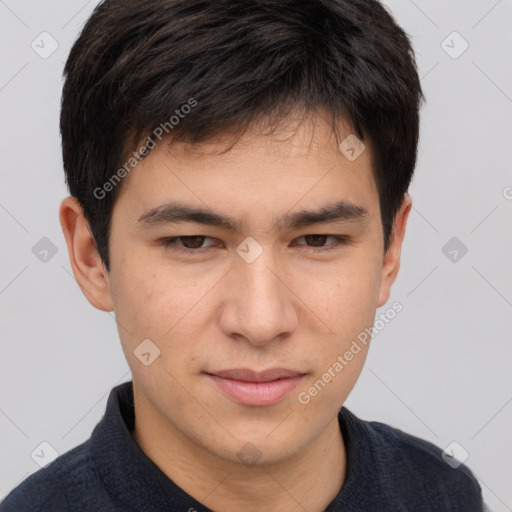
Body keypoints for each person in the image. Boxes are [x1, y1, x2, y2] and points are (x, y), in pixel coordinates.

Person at [0, 0, 487, 510]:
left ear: (390, 250)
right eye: (193, 242)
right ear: (91, 256)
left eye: (317, 240)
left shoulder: (443, 493)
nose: (260, 322)